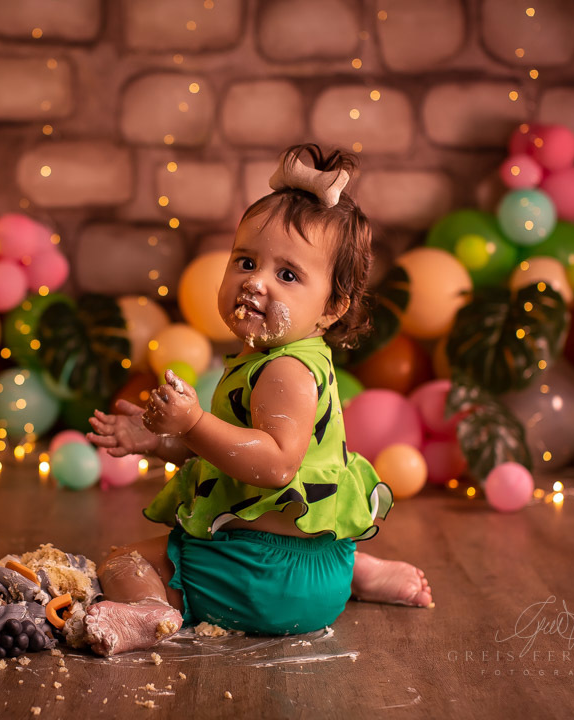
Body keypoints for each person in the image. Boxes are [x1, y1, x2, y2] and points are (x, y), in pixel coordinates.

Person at [79, 144, 434, 656]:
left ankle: (151, 613)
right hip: (310, 571)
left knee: (122, 563)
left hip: (260, 578)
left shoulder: (284, 371)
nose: (255, 281)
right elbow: (231, 458)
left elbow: (273, 468)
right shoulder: (284, 356)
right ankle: (356, 572)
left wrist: (194, 420)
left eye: (287, 275)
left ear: (332, 307)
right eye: (246, 261)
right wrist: (161, 441)